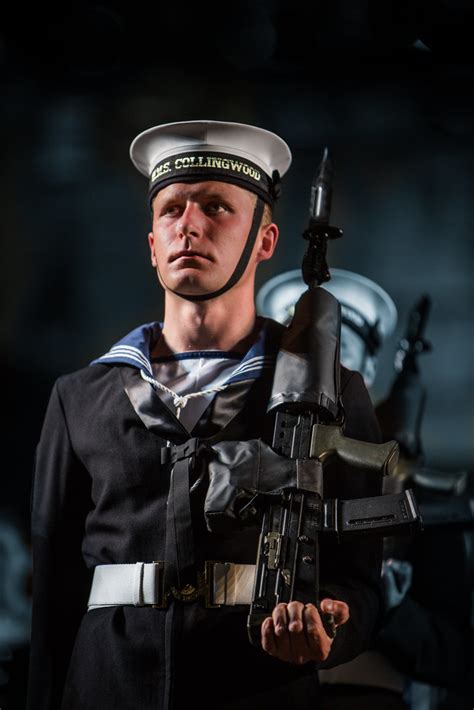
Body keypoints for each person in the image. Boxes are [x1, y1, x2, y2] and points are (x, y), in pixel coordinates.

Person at [27, 120, 384, 710]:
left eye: (217, 206)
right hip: (106, 687)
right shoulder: (78, 398)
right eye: (171, 210)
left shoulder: (332, 393)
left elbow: (361, 583)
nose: (188, 225)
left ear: (265, 242)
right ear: (151, 245)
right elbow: (53, 601)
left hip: (259, 690)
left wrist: (330, 629)